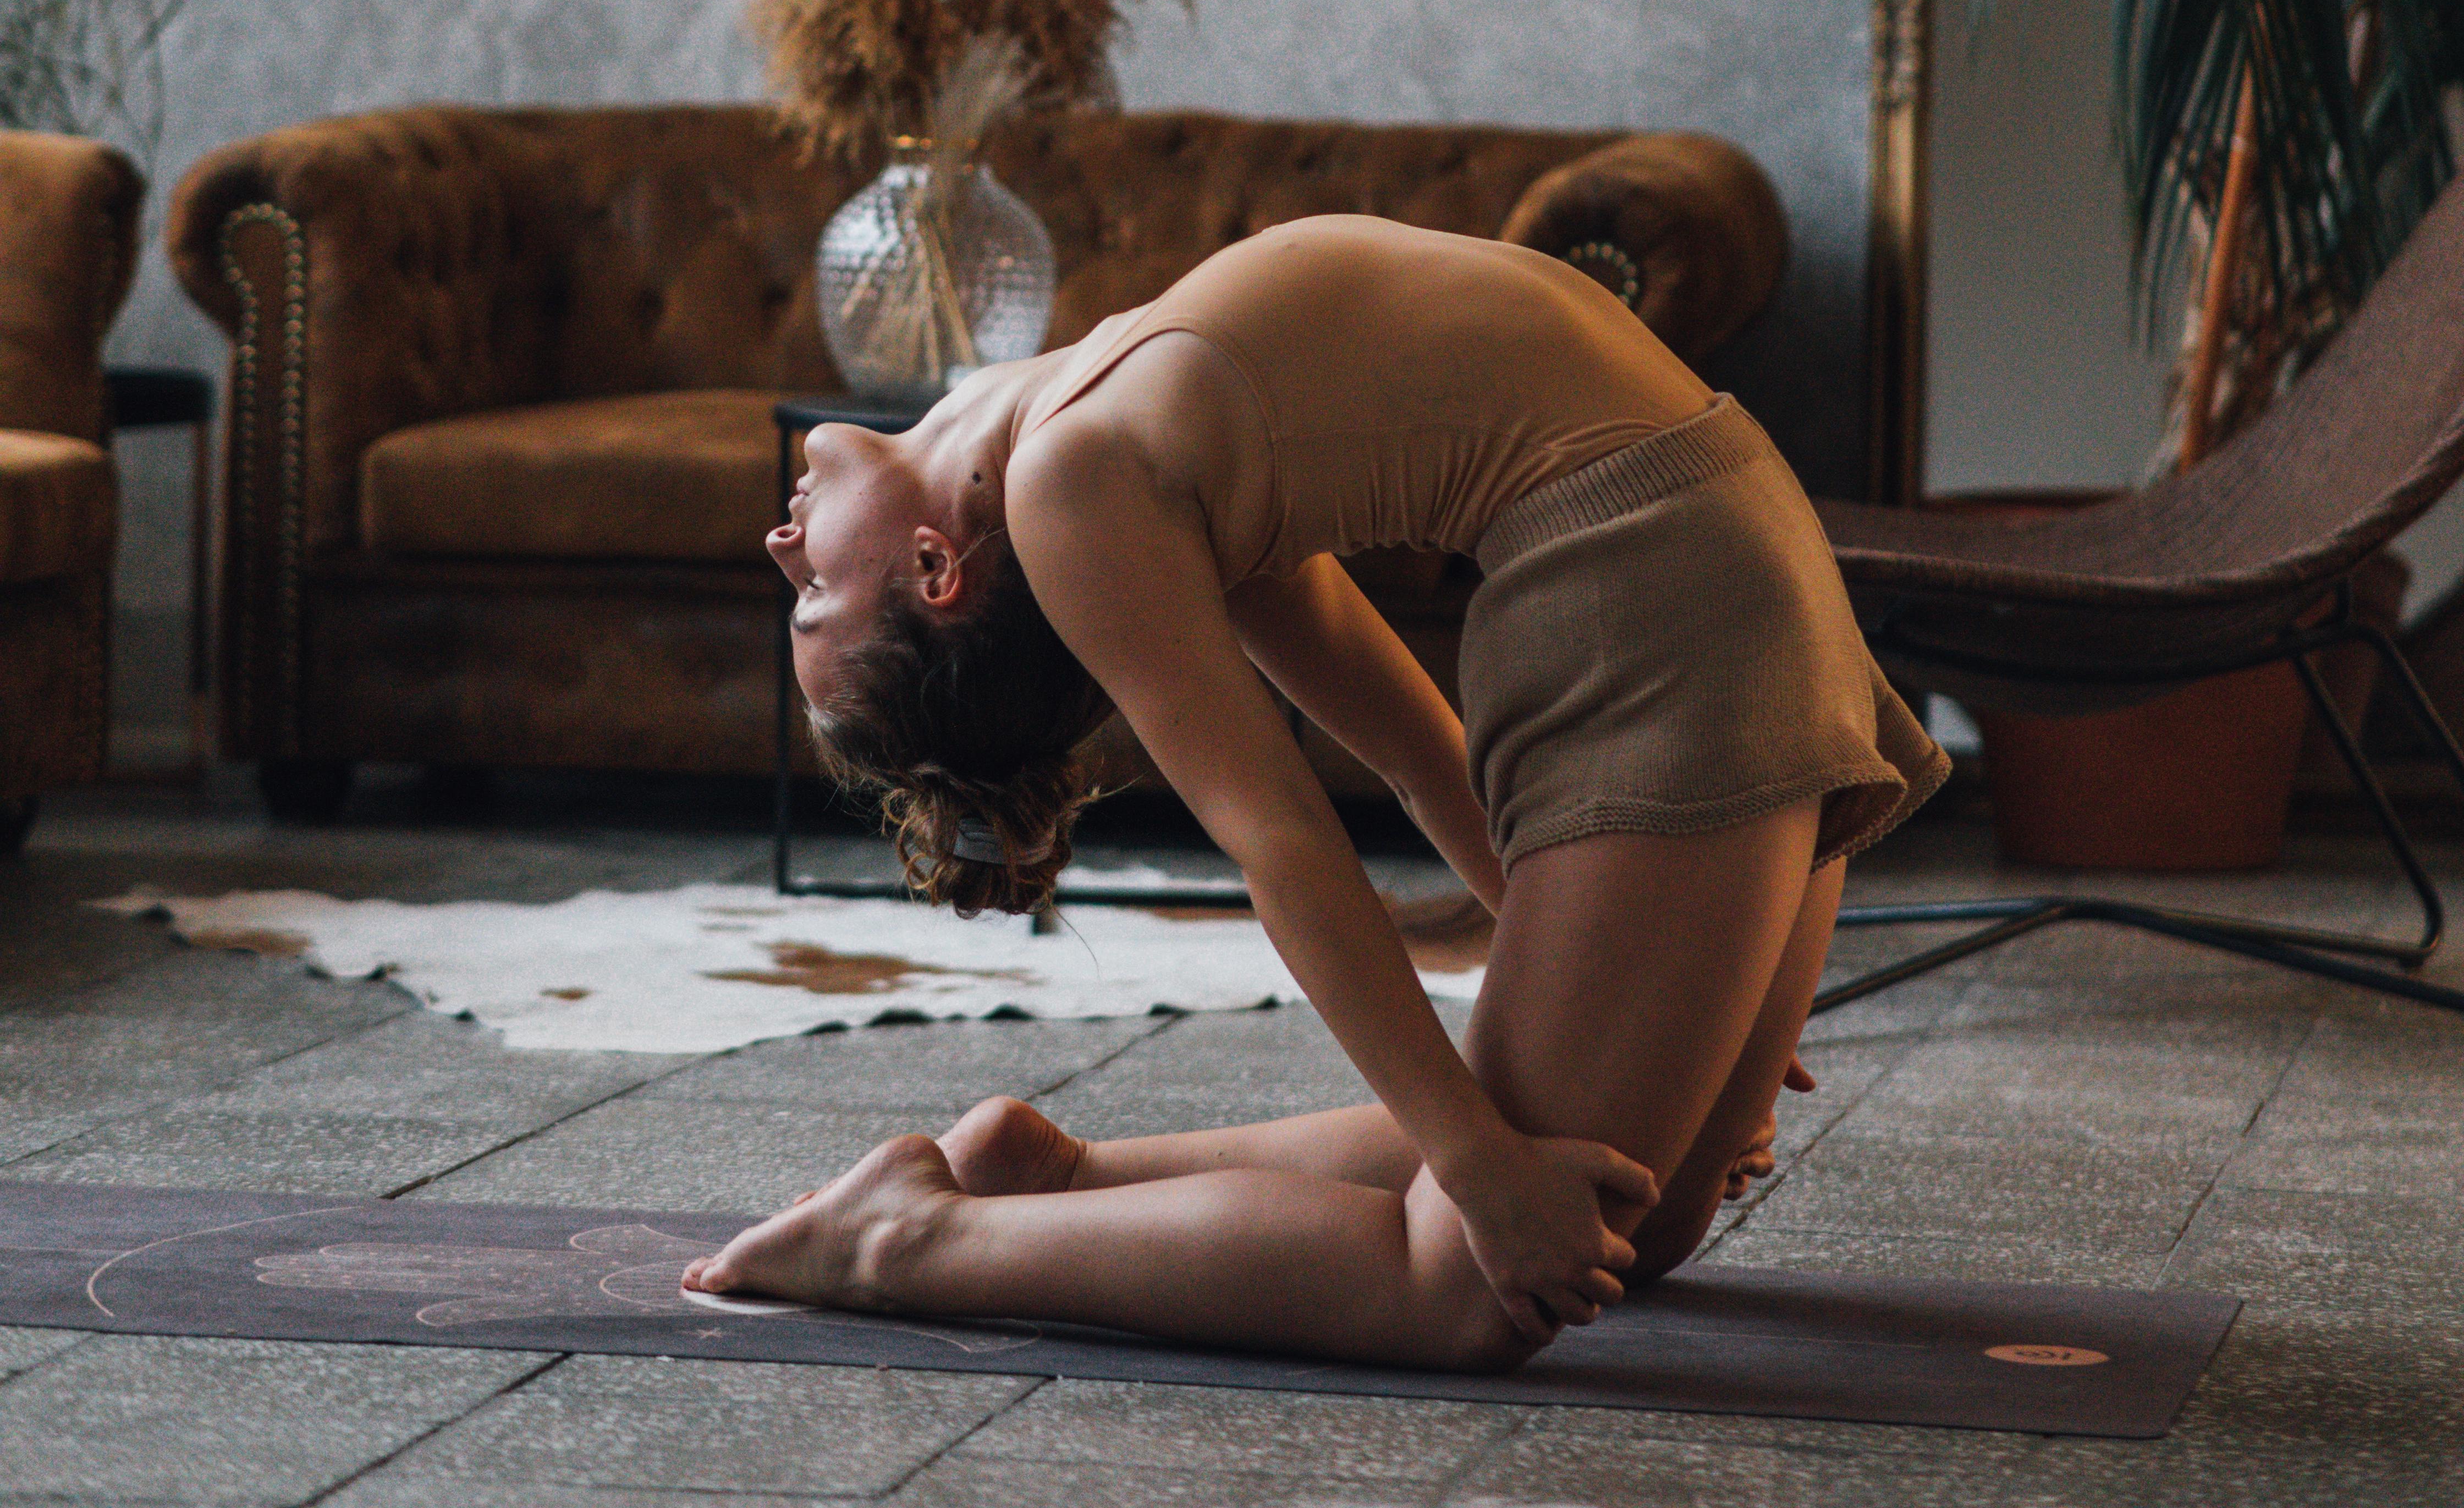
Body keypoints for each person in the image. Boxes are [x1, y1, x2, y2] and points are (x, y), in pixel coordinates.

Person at [682, 212, 1947, 1369]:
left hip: (1688, 575)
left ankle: (976, 1209)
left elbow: (1411, 759)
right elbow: (1294, 833)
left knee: (1548, 1246)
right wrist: (1561, 1058)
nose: (777, 544)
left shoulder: (1089, 446)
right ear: (931, 571)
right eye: (810, 594)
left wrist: (1662, 967)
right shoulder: (1082, 469)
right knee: (1558, 1247)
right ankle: (948, 1221)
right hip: (1702, 566)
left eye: (799, 593)